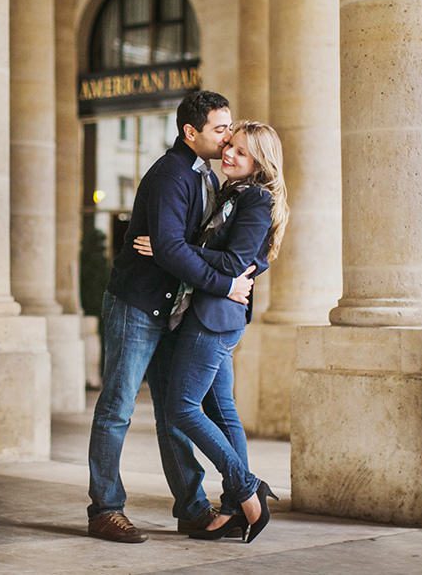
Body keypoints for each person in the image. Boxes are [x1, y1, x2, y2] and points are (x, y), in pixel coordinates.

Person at [86, 91, 256, 543]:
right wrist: (221, 282)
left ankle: (192, 508)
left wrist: (174, 250)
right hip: (137, 306)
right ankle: (105, 508)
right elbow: (172, 247)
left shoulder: (208, 176)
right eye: (220, 130)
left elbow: (186, 246)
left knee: (173, 411)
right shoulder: (170, 175)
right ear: (190, 132)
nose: (227, 139)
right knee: (118, 408)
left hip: (174, 311)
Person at [134, 121, 288, 543]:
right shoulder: (232, 193)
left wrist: (172, 248)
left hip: (214, 317)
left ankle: (245, 487)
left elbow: (237, 261)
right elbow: (249, 255)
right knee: (223, 409)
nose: (229, 154)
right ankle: (239, 507)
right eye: (229, 146)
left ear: (259, 160)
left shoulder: (254, 197)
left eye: (240, 150)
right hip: (215, 313)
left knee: (181, 408)